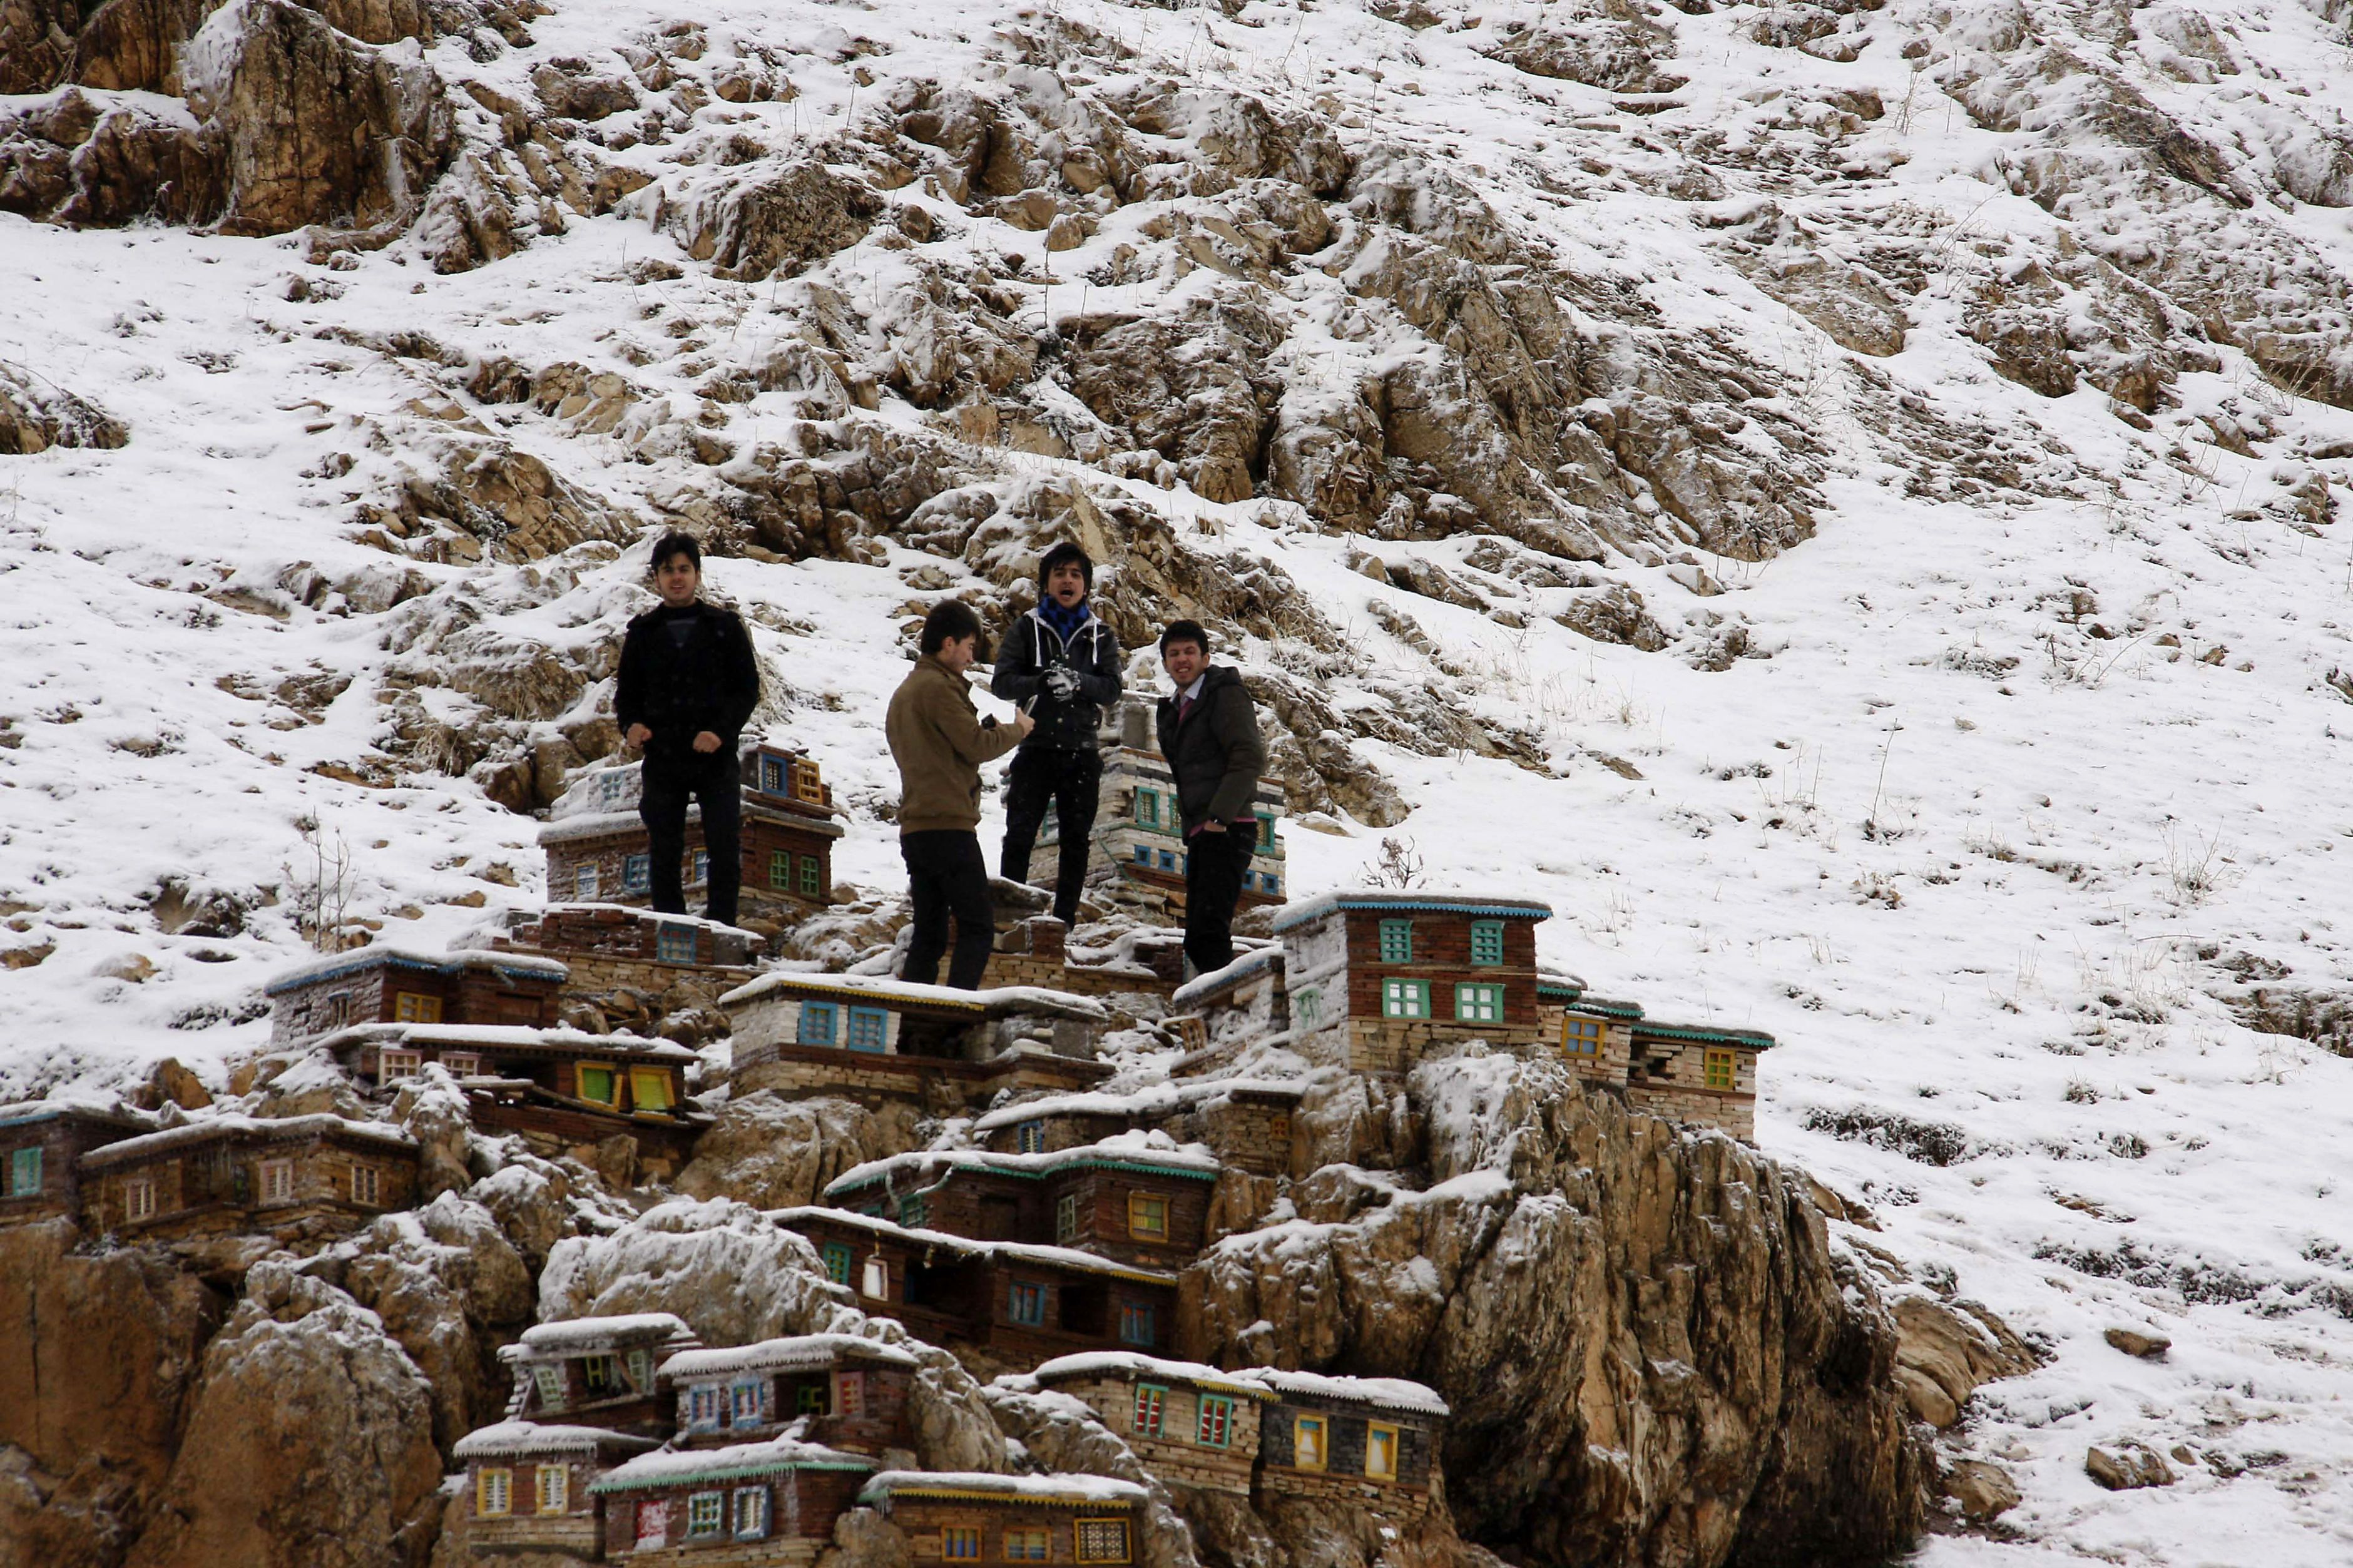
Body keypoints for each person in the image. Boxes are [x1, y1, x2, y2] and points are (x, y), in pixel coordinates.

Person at [614, 532, 760, 927]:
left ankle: (723, 933)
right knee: (664, 849)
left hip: (715, 757)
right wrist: (631, 725)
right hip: (663, 757)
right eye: (668, 570)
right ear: (656, 578)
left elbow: (747, 690)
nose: (676, 578)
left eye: (684, 569)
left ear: (697, 574)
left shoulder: (725, 627)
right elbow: (627, 694)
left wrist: (720, 731)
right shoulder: (642, 633)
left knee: (724, 847)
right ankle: (672, 932)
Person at [887, 601, 1035, 988]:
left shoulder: (906, 692)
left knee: (930, 933)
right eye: (970, 646)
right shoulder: (937, 688)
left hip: (917, 827)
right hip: (948, 826)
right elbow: (975, 746)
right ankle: (958, 1009)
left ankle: (916, 1014)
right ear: (948, 643)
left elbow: (942, 748)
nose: (972, 657)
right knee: (977, 926)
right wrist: (1017, 730)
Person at [992, 542, 1123, 927]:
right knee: (1019, 835)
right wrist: (1041, 683)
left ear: (1086, 586)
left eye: (1076, 575)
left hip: (1081, 751)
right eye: (1060, 574)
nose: (1068, 581)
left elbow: (1112, 688)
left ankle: (1063, 924)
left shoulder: (1101, 635)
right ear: (1046, 583)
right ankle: (1010, 916)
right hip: (1035, 747)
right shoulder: (1026, 628)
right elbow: (1002, 682)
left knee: (1076, 841)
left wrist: (1078, 681)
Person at [1153, 620, 1267, 977]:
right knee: (1199, 936)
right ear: (1165, 663)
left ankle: (1223, 1001)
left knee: (1209, 931)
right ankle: (1213, 997)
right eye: (1174, 654)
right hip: (1203, 829)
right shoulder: (1179, 707)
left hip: (1227, 826)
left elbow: (1249, 756)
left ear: (1205, 658)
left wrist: (1219, 818)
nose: (1182, 660)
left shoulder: (1223, 694)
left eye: (1190, 652)